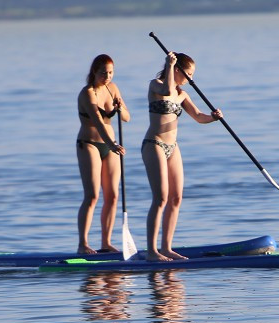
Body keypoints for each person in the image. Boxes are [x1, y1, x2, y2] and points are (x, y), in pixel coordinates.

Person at [142, 51, 222, 261]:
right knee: (160, 198)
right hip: (154, 144)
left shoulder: (183, 94)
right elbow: (167, 89)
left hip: (173, 147)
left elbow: (198, 117)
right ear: (176, 70)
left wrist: (213, 118)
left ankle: (166, 248)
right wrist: (169, 64)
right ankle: (152, 251)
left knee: (176, 198)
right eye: (188, 74)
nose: (191, 79)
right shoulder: (156, 85)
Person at [76, 54, 130, 254]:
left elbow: (126, 118)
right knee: (92, 195)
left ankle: (106, 243)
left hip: (111, 146)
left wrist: (120, 107)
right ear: (93, 72)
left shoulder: (113, 88)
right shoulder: (87, 93)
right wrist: (112, 144)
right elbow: (98, 122)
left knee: (113, 196)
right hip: (89, 144)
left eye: (110, 72)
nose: (107, 77)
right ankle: (83, 245)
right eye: (103, 73)